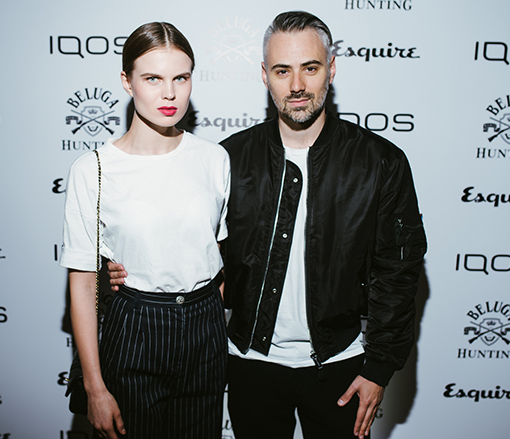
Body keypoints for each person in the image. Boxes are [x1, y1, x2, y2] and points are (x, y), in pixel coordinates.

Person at [109, 10, 427, 439]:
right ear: (265, 75)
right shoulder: (228, 159)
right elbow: (191, 248)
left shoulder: (380, 162)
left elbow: (398, 272)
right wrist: (122, 270)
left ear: (331, 69)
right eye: (282, 71)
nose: (296, 85)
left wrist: (380, 367)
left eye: (310, 68)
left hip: (341, 367)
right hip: (249, 366)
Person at [61, 22, 229, 439]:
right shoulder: (93, 170)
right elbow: (83, 282)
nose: (169, 93)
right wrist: (94, 387)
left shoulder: (214, 158)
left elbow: (216, 254)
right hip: (135, 325)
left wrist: (211, 319)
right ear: (127, 81)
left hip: (205, 328)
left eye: (181, 78)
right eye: (153, 78)